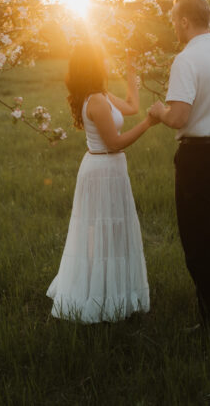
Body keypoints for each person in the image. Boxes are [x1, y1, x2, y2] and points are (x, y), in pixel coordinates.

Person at [148, 0, 210, 329]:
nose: (173, 25)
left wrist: (159, 110)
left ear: (185, 21)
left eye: (174, 19)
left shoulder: (186, 59)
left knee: (200, 240)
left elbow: (178, 117)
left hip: (200, 157)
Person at [47, 41, 158, 323]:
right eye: (103, 59)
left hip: (111, 168)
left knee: (113, 228)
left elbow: (132, 106)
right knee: (99, 230)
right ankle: (99, 293)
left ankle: (111, 287)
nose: (107, 63)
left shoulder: (101, 94)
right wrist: (148, 123)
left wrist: (131, 70)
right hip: (102, 168)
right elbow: (115, 142)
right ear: (94, 65)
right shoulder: (95, 100)